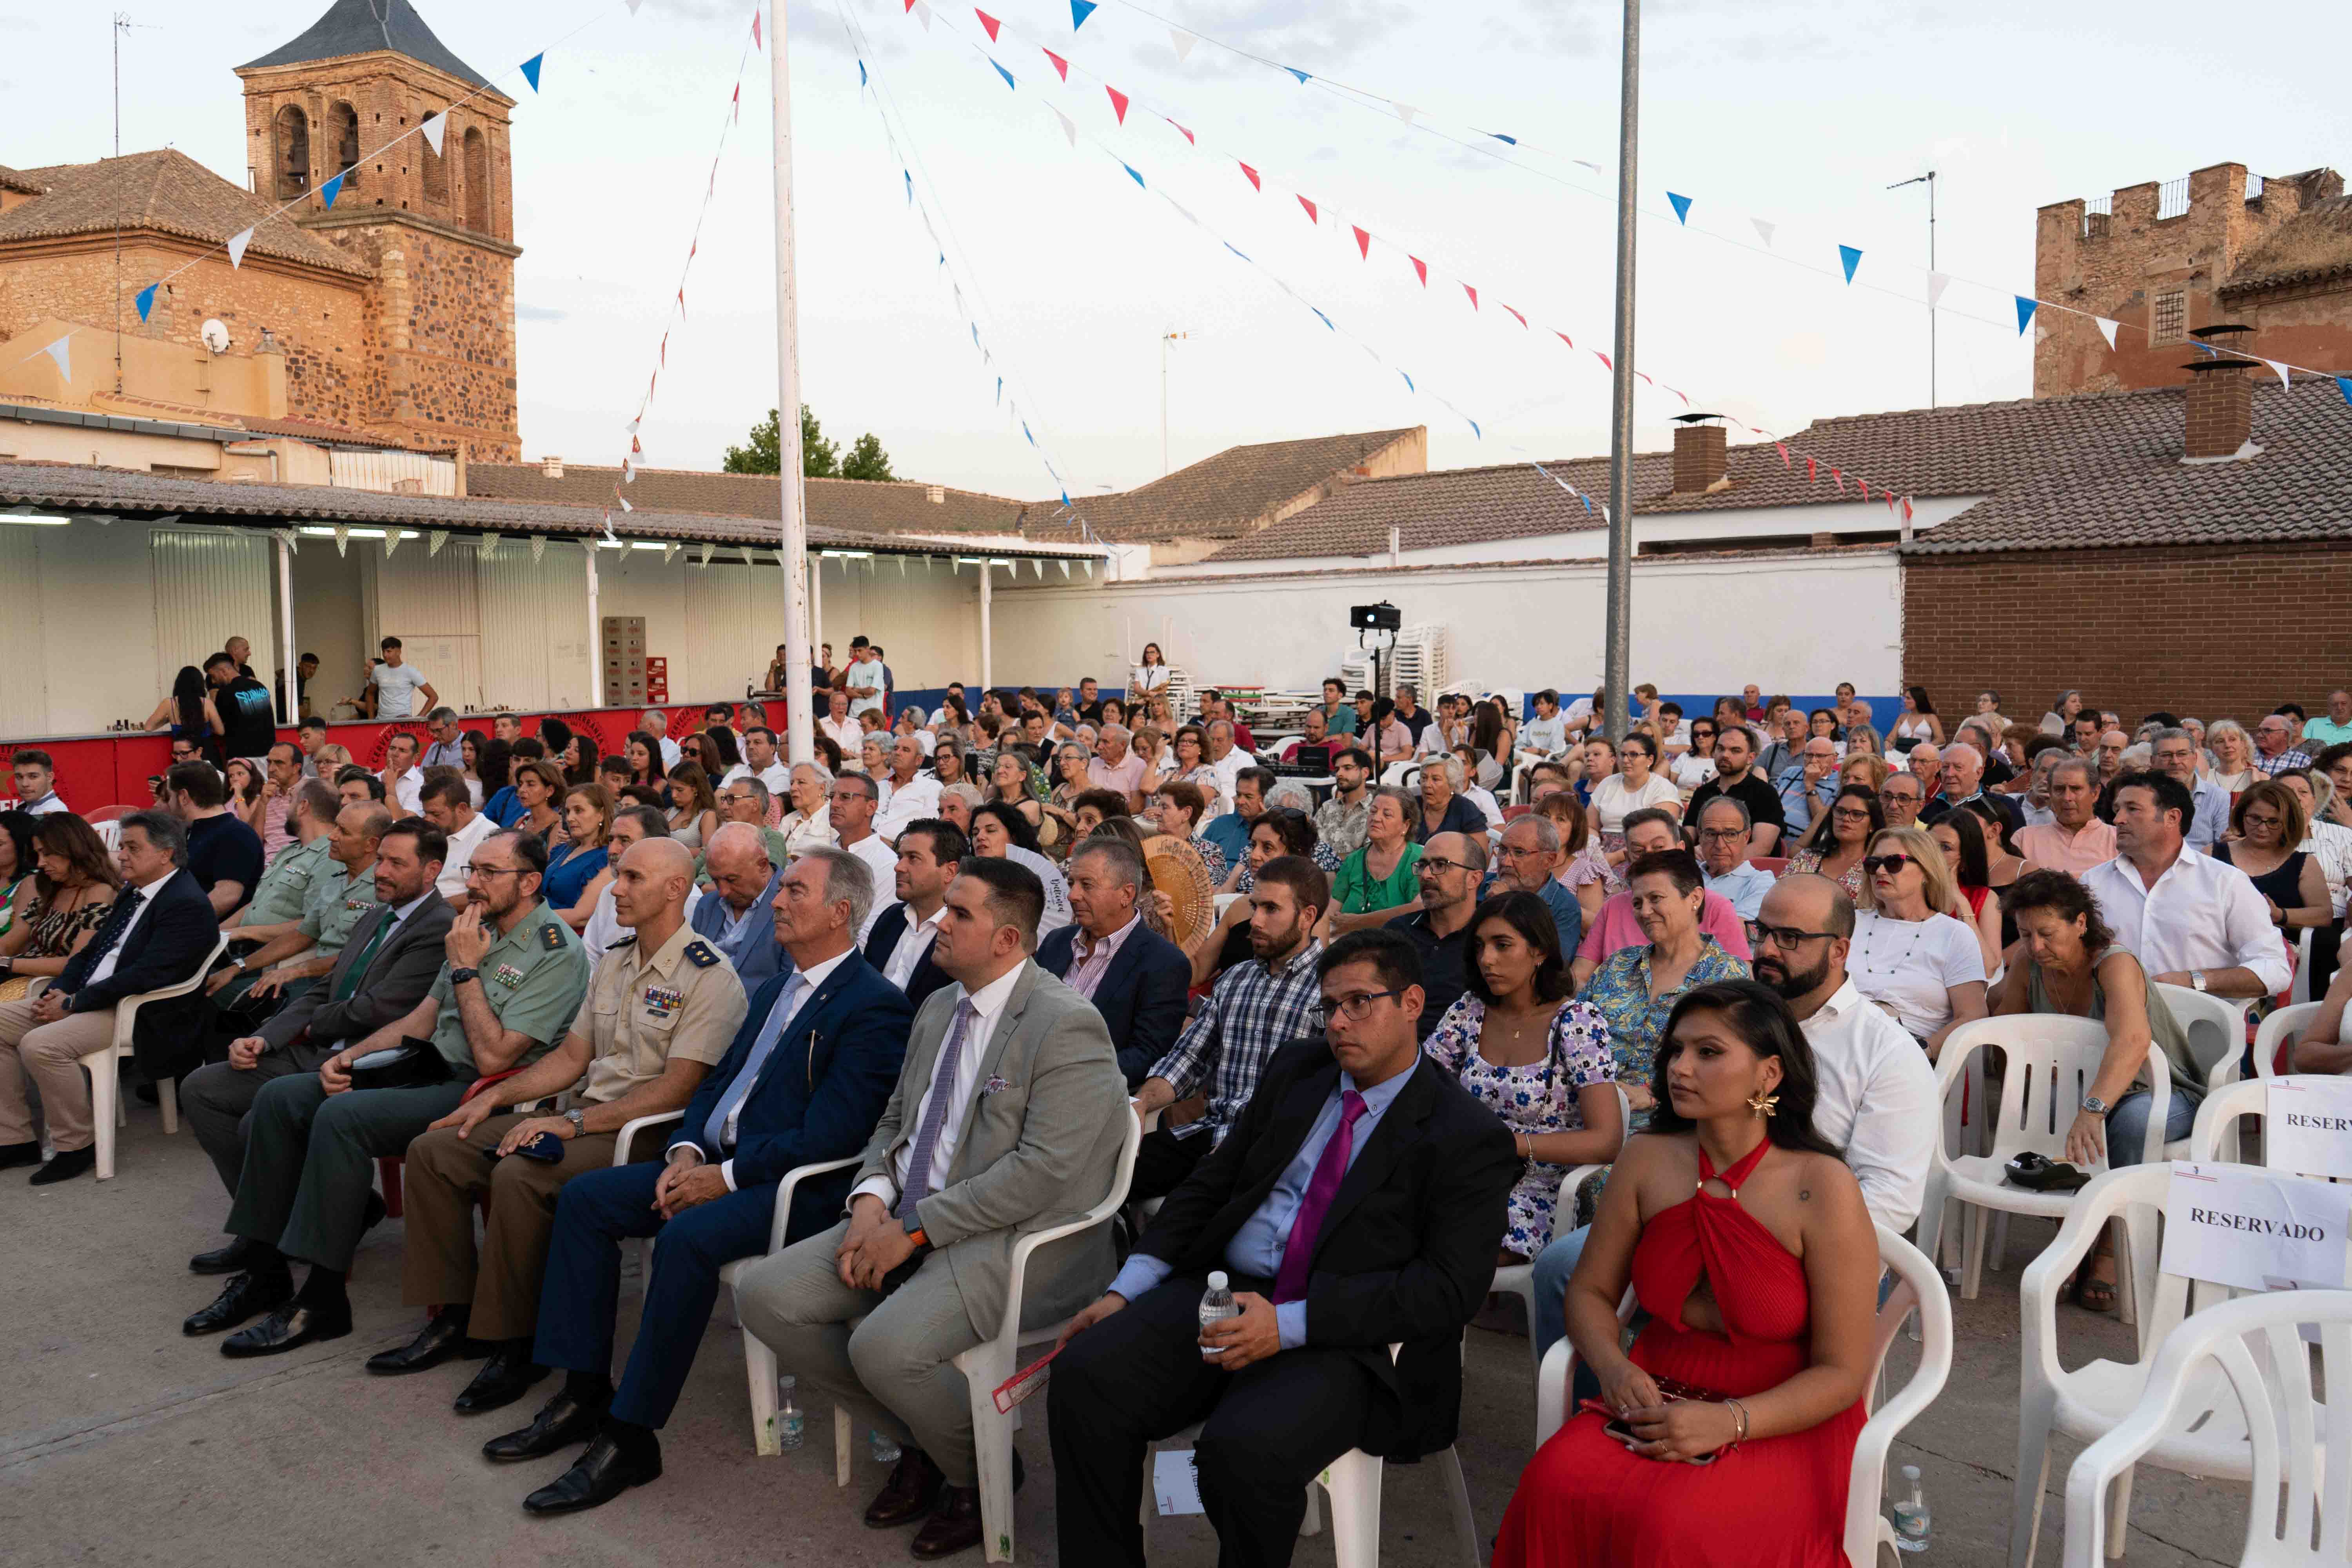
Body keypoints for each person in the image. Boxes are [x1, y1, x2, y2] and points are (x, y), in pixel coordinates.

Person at [1051, 924, 1519, 1566]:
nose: (1339, 1023)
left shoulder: (1465, 1134)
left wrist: (1290, 1325)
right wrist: (1126, 1289)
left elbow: (1447, 1291)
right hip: (1224, 1292)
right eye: (1330, 1006)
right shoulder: (1300, 1072)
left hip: (1346, 1333)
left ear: (1412, 1004)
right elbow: (1211, 1185)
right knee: (1087, 1375)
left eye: (1360, 1002)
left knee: (1242, 1453)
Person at [497, 849, 913, 1510]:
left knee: (687, 1238)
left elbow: (835, 1136)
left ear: (841, 912)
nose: (775, 901)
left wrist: (726, 1174)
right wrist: (689, 1149)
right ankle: (582, 1393)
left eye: (794, 892)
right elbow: (717, 1082)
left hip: (792, 1188)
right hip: (720, 1167)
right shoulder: (778, 988)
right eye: (780, 890)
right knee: (585, 1200)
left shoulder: (874, 1007)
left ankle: (632, 1437)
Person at [729, 858, 1123, 1555]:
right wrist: (870, 1203)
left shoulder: (1066, 1024)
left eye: (961, 913)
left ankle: (976, 1474)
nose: (940, 921)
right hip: (910, 1218)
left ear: (1007, 939)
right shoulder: (940, 1005)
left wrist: (912, 1231)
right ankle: (929, 1442)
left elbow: (1042, 1175)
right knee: (766, 1295)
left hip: (1014, 1240)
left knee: (882, 1347)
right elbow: (895, 1122)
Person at [1491, 982, 1878, 1568]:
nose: (1681, 1067)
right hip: (1652, 1394)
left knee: (1676, 1526)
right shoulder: (1648, 1159)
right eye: (1676, 1051)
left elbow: (1844, 1373)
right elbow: (1592, 1291)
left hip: (1784, 1415)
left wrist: (1729, 1422)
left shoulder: (1819, 1186)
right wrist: (1614, 1367)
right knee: (1554, 1484)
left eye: (1709, 1052)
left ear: (1769, 1074)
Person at [376, 838, 747, 1412]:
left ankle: (515, 1344)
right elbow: (571, 1058)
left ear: (677, 889)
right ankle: (454, 1317)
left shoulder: (708, 976)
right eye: (617, 877)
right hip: (581, 1118)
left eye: (632, 879)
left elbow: (678, 1090)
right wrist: (494, 1099)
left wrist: (572, 1123)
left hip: (641, 1135)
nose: (616, 890)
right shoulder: (618, 961)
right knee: (440, 1148)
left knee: (521, 1175)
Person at [187, 830, 590, 1355]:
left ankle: (323, 1299)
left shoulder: (553, 949)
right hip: (420, 1068)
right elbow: (421, 1021)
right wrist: (345, 1059)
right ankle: (265, 1270)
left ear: (530, 882)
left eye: (490, 873)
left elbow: (495, 1058)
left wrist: (466, 968)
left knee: (341, 1117)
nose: (474, 883)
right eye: (473, 871)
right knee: (282, 1096)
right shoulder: (476, 927)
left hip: (477, 1089)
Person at [181, 818, 454, 1261]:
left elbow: (378, 1009)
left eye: (396, 863)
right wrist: (265, 1040)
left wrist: (309, 1028)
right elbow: (327, 989)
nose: (381, 871)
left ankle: (264, 1237)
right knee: (203, 1089)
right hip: (319, 1052)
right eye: (380, 859)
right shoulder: (376, 914)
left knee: (262, 1115)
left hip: (369, 1064)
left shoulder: (438, 926)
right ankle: (286, 1216)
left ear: (431, 871)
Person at [0, 813, 211, 1187]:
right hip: (89, 997)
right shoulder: (135, 892)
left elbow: (147, 976)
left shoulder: (185, 903)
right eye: (123, 846)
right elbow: (87, 954)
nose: (122, 855)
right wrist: (59, 991)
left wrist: (74, 1002)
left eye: (133, 847)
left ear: (166, 854)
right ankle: (15, 1139)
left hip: (132, 1008)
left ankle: (75, 1146)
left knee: (41, 1045)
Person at [1422, 892, 1622, 1261]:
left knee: (1442, 1250)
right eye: (1480, 946)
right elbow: (1423, 1086)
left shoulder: (1576, 1021)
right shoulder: (1470, 1010)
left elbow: (1607, 1140)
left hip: (1537, 1191)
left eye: (1503, 945)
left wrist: (1507, 1143)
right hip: (1461, 1172)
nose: (1487, 959)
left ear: (1540, 952)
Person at [1130, 856, 1328, 1199]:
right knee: (1104, 1173)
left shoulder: (1332, 986)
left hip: (1275, 1152)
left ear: (1307, 916)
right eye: (1255, 907)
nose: (1256, 921)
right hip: (1211, 1134)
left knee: (1187, 1212)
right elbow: (1189, 1059)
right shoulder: (1237, 977)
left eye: (1271, 909)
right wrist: (1142, 1102)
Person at [1575, 849, 1751, 1126]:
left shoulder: (1726, 977)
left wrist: (1653, 1098)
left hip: (1666, 1125)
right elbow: (1575, 1032)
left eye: (1656, 899)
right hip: (1584, 1110)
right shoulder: (1620, 964)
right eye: (1637, 903)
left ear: (1695, 898)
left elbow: (1729, 1072)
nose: (1645, 912)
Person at [2084, 771, 2292, 1003]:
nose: (2118, 820)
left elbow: (2274, 969)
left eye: (2132, 809)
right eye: (2117, 810)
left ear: (2172, 818)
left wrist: (2192, 981)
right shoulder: (2093, 882)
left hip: (2197, 1027)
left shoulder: (2225, 882)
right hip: (2111, 1021)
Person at [1038, 836, 1191, 1087]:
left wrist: (1070, 1073)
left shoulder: (1164, 963)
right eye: (1071, 883)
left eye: (1087, 885)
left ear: (1126, 894)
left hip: (1092, 1093)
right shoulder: (1056, 942)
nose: (1073, 895)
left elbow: (1148, 1055)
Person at [1849, 825, 1989, 1057]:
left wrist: (1924, 1051)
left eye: (1894, 863)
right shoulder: (1850, 921)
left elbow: (1973, 1014)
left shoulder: (1953, 934)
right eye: (1873, 864)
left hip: (1909, 1053)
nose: (1881, 872)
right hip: (1843, 1040)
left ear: (1926, 871)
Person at [1575, 810, 1753, 985]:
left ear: (1681, 849)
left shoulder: (1716, 907)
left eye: (1659, 847)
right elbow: (1580, 976)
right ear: (1628, 857)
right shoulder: (1614, 906)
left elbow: (1740, 985)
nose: (1651, 856)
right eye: (1639, 850)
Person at [0, 813, 120, 1006]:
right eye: (38, 855)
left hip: (46, 987)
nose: (40, 863)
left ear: (73, 849)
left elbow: (77, 962)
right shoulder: (52, 889)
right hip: (19, 974)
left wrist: (8, 964)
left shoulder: (99, 892)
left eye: (47, 854)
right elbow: (9, 944)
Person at [1385, 829, 1485, 1040]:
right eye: (1422, 866)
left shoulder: (1490, 941)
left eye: (1441, 865)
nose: (1426, 875)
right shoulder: (1397, 934)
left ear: (1474, 879)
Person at [866, 819, 967, 1007]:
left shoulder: (963, 934)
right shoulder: (890, 919)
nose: (899, 867)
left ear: (950, 871)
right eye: (900, 858)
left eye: (913, 858)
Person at [689, 822, 788, 989]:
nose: (723, 892)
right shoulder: (707, 905)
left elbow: (790, 988)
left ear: (763, 865)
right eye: (715, 880)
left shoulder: (792, 906)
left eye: (731, 880)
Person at [967, 799, 1074, 937]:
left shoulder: (1036, 881)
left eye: (991, 830)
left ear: (1014, 837)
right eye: (975, 833)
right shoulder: (967, 878)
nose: (980, 837)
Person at [1330, 786, 1423, 933]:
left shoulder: (1419, 859)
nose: (1376, 818)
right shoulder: (1354, 860)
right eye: (1373, 812)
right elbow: (1332, 913)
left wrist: (1357, 922)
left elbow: (1418, 910)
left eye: (1387, 815)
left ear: (1406, 825)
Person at [1686, 723, 1785, 855]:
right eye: (1720, 749)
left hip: (1747, 870)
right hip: (1702, 868)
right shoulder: (1703, 792)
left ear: (1751, 758)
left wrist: (1716, 859)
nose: (1725, 755)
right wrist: (1691, 852)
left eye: (1735, 751)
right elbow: (1688, 838)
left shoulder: (1765, 794)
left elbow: (1761, 848)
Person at [1496, 813, 1586, 956]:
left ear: (1549, 860)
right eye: (1502, 850)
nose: (1505, 862)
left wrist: (1506, 906)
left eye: (1519, 852)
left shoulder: (1563, 907)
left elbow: (1554, 967)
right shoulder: (1481, 886)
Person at [1930, 809, 2006, 976]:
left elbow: (1988, 968)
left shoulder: (1984, 898)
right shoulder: (1907, 891)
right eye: (1928, 844)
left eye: (1945, 848)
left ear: (1965, 859)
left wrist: (1960, 902)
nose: (1933, 854)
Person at [1786, 782, 1880, 901]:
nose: (1846, 819)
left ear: (1872, 825)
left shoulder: (1877, 869)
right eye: (1840, 812)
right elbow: (1778, 895)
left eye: (1857, 815)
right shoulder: (1807, 857)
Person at [543, 786, 615, 931]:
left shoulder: (606, 858)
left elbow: (581, 916)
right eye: (568, 812)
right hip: (539, 927)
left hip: (566, 937)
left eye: (579, 811)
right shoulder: (563, 849)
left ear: (601, 814)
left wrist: (528, 918)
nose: (570, 818)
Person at [418, 773, 495, 905]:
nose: (429, 820)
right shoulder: (433, 830)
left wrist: (429, 908)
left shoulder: (490, 837)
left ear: (462, 808)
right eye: (426, 813)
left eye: (436, 814)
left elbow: (486, 894)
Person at [1694, 796, 1776, 920]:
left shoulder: (1760, 883)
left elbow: (1732, 932)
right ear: (1700, 836)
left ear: (1746, 837)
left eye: (1731, 835)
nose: (1720, 845)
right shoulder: (1685, 872)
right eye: (1711, 834)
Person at [2151, 727, 2230, 850]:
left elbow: (2222, 846)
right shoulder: (2139, 795)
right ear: (2153, 761)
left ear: (2195, 758)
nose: (2175, 762)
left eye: (2182, 754)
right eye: (2166, 755)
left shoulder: (2218, 798)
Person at [147, 664, 224, 759]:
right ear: (200, 684)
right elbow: (221, 731)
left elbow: (149, 727)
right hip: (207, 753)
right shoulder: (207, 703)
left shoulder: (169, 703)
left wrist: (169, 718)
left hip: (183, 756)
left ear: (178, 684)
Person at [1314, 746, 1375, 857]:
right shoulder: (1327, 807)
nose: (1339, 774)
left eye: (1347, 768)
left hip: (1354, 873)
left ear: (1365, 773)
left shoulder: (1375, 811)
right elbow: (1311, 842)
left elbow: (1370, 856)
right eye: (1337, 770)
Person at [362, 636, 436, 720]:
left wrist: (419, 718)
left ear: (399, 652)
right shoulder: (378, 670)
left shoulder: (411, 671)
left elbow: (433, 696)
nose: (385, 655)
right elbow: (370, 693)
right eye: (383, 652)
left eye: (389, 651)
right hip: (381, 720)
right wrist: (371, 719)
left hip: (402, 720)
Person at [2254, 713, 2315, 778]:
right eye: (2259, 731)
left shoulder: (2303, 762)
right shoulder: (2247, 756)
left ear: (2285, 735)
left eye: (2268, 731)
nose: (2260, 735)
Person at [11, 750, 65, 818]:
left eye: (33, 777)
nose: (24, 784)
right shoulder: (25, 805)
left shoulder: (55, 814)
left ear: (50, 777)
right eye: (19, 777)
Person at [1891, 685, 1944, 752]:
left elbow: (1941, 739)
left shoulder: (1931, 717)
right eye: (1905, 698)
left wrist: (1924, 748)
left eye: (1908, 698)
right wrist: (1887, 743)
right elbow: (1892, 737)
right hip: (1901, 752)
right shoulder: (1902, 717)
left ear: (1918, 700)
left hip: (1922, 753)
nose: (1905, 701)